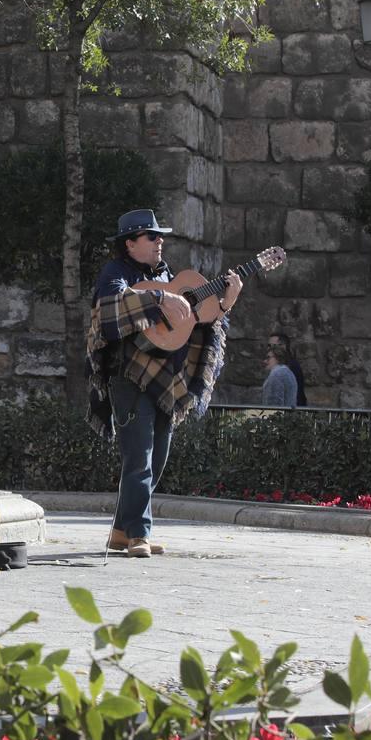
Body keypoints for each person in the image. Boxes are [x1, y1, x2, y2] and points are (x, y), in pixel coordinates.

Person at [87, 209, 241, 558]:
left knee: (157, 459)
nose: (161, 242)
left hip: (165, 380)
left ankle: (121, 531)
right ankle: (139, 533)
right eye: (152, 236)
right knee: (139, 457)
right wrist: (158, 299)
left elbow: (192, 323)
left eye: (161, 236)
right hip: (128, 377)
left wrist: (225, 304)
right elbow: (108, 309)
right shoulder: (116, 273)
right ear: (130, 243)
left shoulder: (167, 275)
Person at [268, 331, 308, 406]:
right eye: (269, 345)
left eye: (273, 346)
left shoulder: (289, 366)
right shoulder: (283, 365)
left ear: (283, 346)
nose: (269, 349)